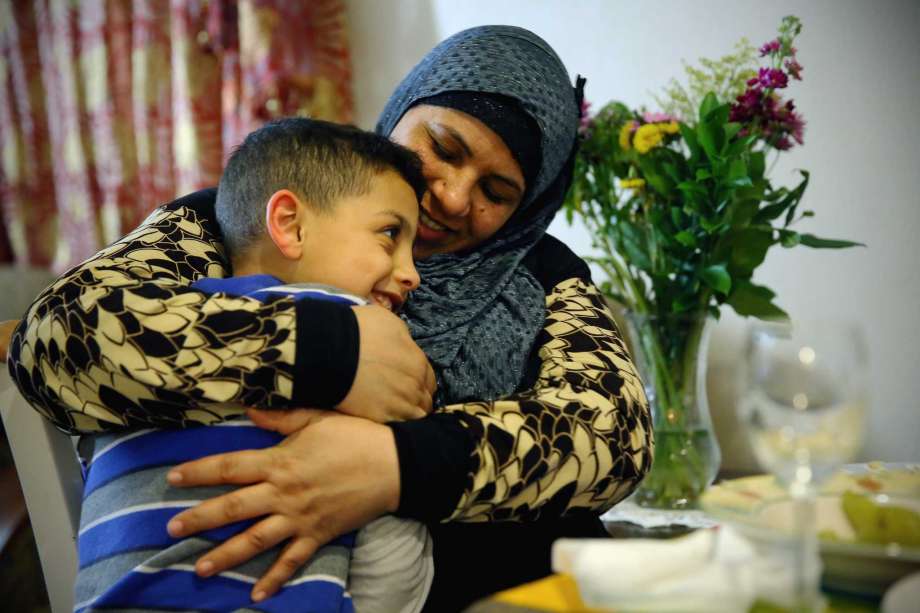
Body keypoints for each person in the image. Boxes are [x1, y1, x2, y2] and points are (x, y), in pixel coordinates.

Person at [7, 25, 652, 612]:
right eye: (444, 148)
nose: (454, 197)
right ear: (401, 112)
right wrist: (328, 349)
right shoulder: (243, 216)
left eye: (496, 192)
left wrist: (396, 465)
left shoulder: (538, 270)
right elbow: (58, 337)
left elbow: (615, 435)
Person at [71, 118, 434, 613]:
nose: (412, 274)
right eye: (390, 234)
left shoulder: (136, 331)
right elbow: (392, 551)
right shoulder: (366, 333)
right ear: (289, 224)